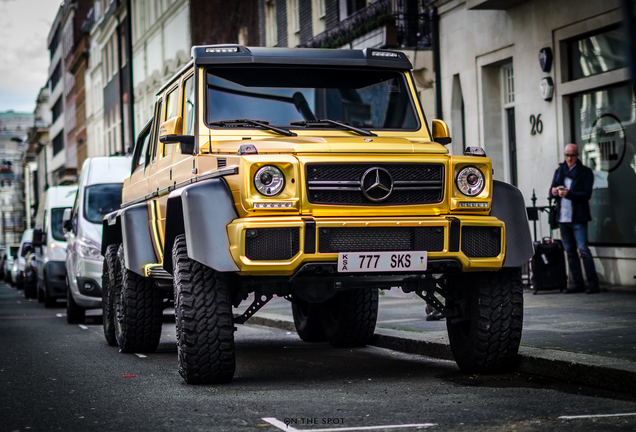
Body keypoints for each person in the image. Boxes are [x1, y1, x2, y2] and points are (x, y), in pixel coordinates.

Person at [550, 143, 600, 294]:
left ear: (577, 156)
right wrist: (553, 191)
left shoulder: (585, 172)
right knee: (570, 252)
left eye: (572, 155)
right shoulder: (560, 171)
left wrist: (569, 194)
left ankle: (593, 284)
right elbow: (551, 189)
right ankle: (578, 284)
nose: (569, 158)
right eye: (567, 155)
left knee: (583, 251)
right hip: (563, 218)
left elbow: (586, 195)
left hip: (578, 218)